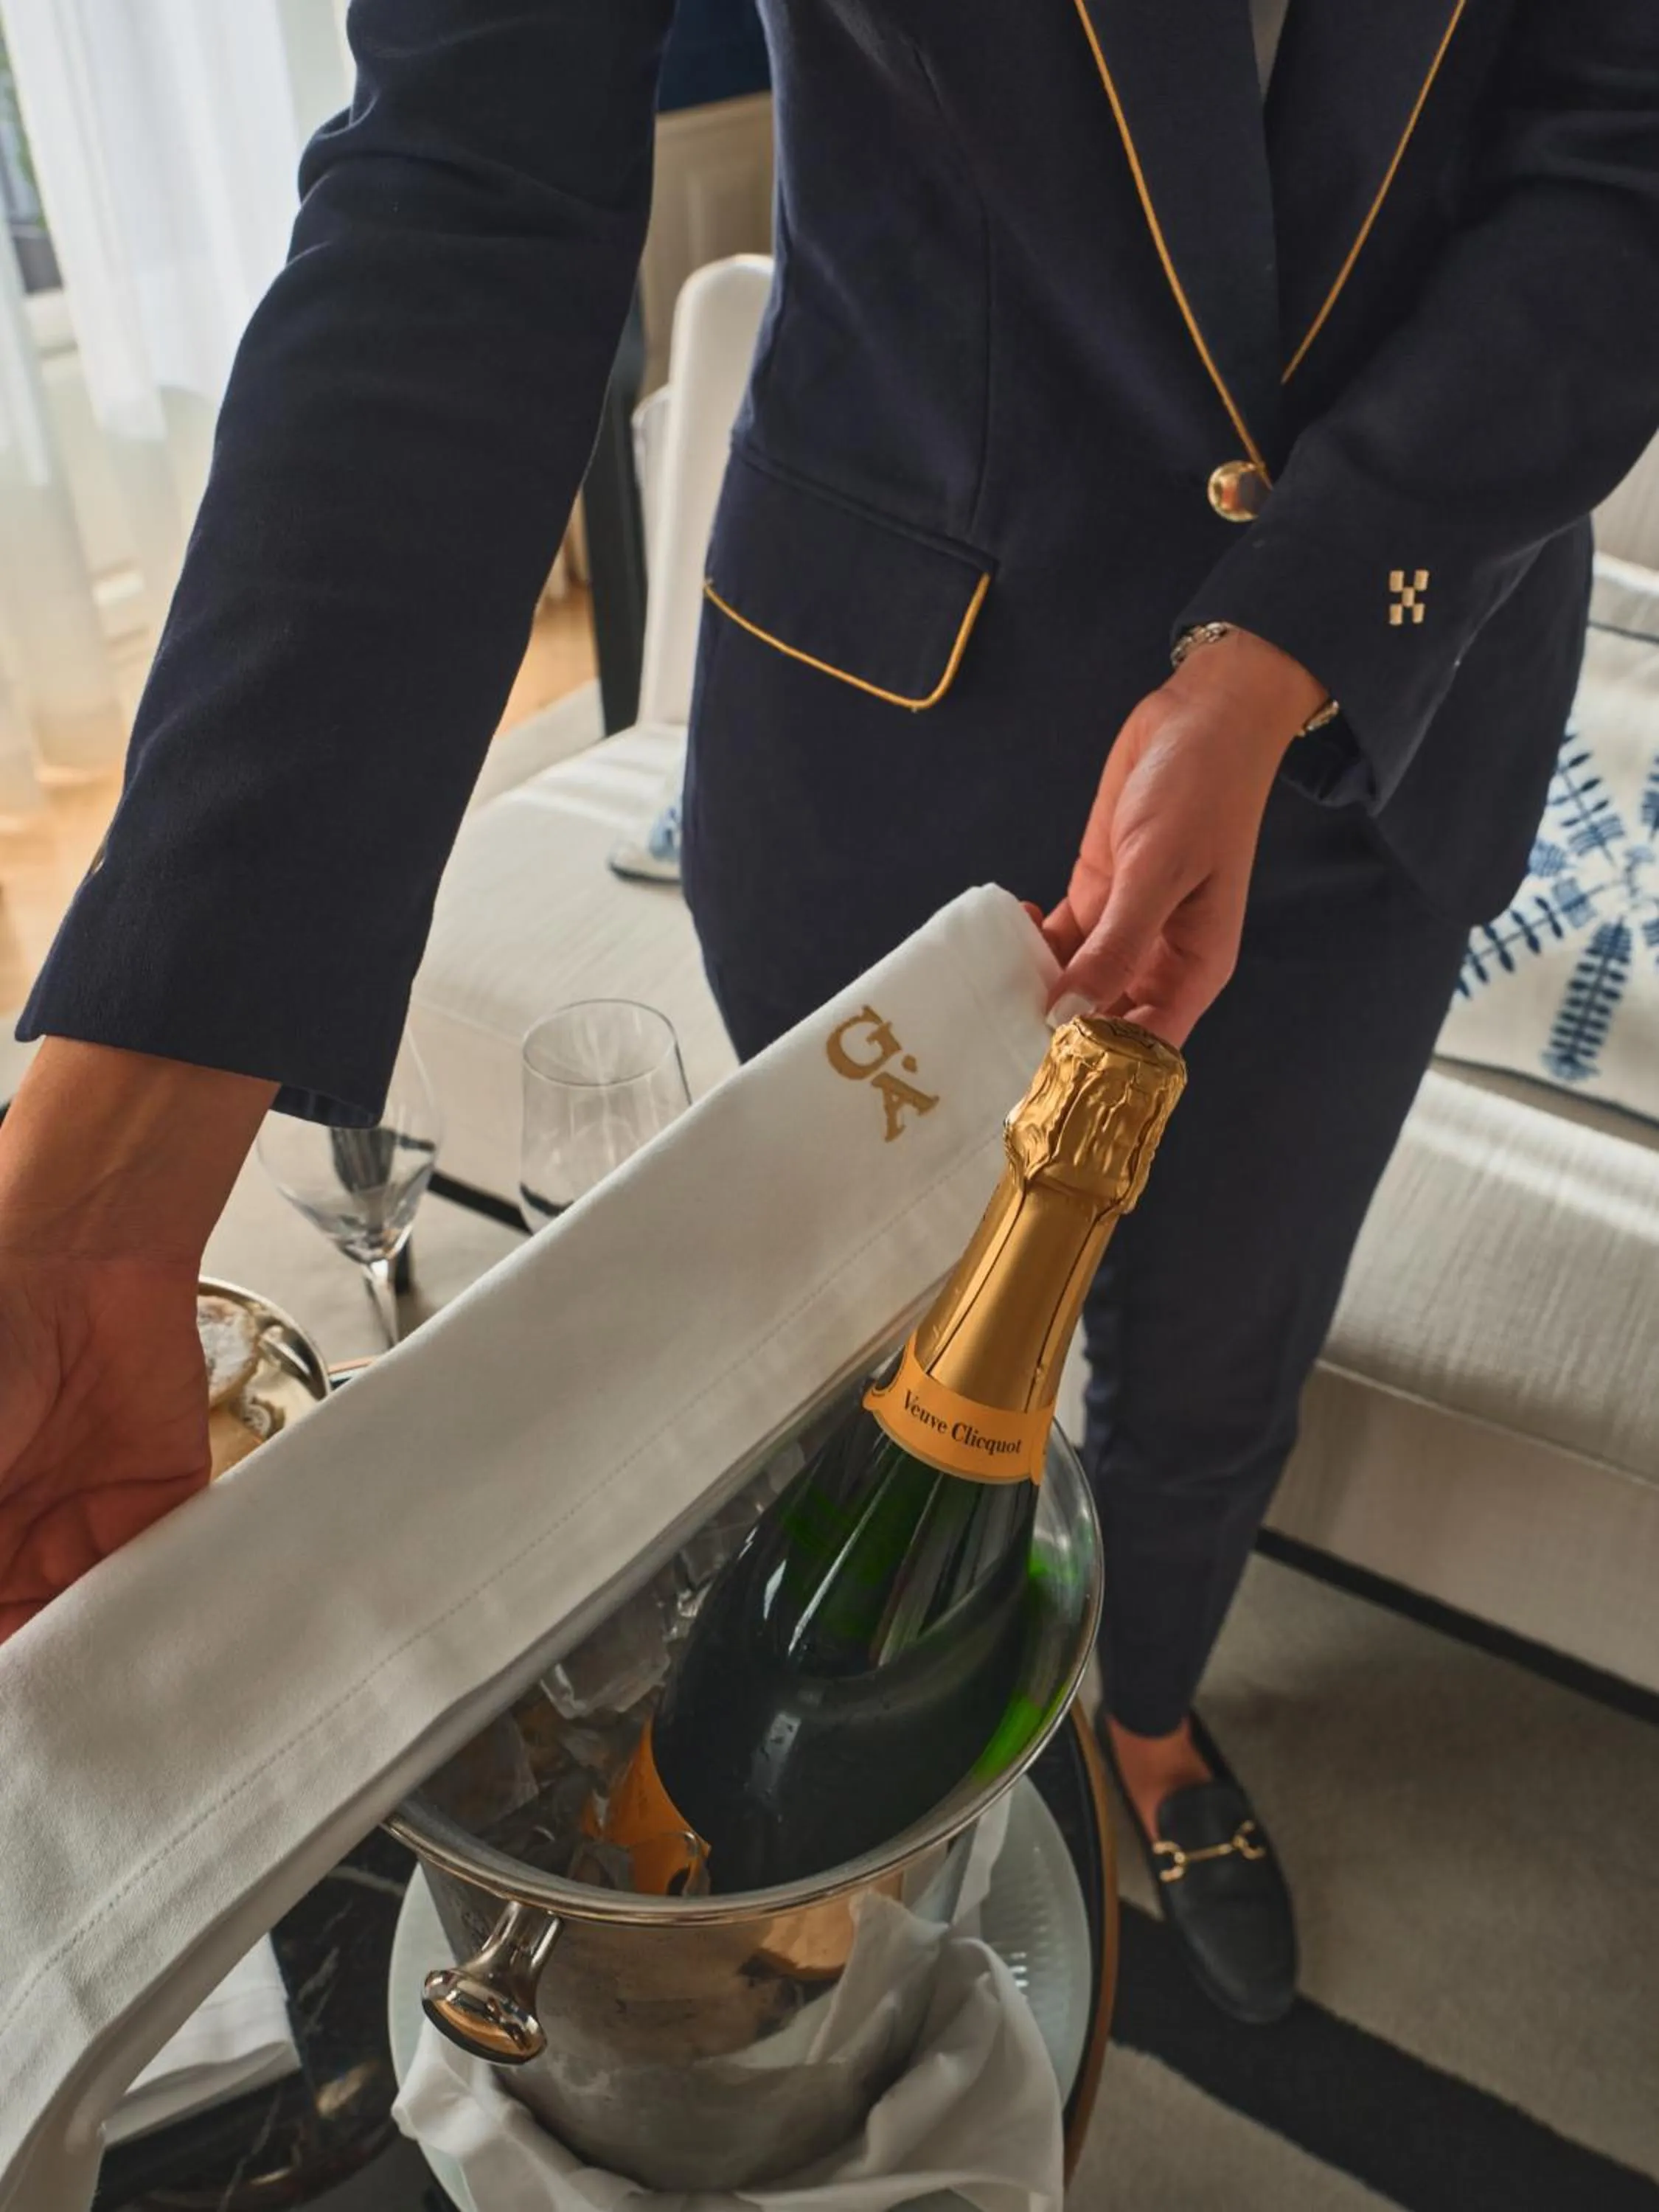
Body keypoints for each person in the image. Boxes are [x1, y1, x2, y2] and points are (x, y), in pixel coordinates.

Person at [3, 0, 1658, 2026]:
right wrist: (98, 1193)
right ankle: (862, 1749)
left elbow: (1621, 162)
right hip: (889, 710)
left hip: (1380, 710)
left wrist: (1282, 644)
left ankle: (1140, 1723)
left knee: (1229, 1348)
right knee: (847, 1369)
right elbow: (463, 188)